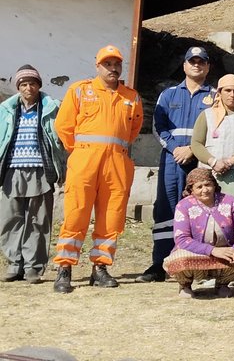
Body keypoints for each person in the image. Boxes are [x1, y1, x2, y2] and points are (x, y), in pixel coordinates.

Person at [52, 45, 143, 293]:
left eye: (116, 64)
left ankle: (100, 268)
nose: (113, 68)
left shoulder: (131, 97)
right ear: (98, 66)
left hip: (117, 164)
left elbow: (133, 130)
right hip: (84, 161)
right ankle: (65, 268)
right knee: (76, 214)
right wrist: (83, 151)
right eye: (107, 64)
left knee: (112, 217)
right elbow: (64, 127)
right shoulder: (80, 91)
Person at [143, 47, 214, 283]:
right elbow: (158, 126)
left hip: (200, 161)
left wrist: (193, 149)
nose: (196, 65)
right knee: (166, 209)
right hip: (172, 160)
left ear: (207, 67)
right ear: (184, 66)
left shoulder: (214, 96)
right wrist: (175, 148)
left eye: (201, 62)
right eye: (192, 61)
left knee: (199, 210)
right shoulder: (168, 95)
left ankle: (197, 264)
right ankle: (159, 263)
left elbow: (215, 130)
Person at [0, 65, 65, 284]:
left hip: (40, 171)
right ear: (18, 87)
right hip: (12, 171)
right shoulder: (6, 110)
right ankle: (14, 264)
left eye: (33, 83)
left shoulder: (51, 109)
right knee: (11, 219)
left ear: (39, 85)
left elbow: (60, 139)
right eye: (24, 84)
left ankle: (33, 267)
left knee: (38, 220)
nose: (29, 88)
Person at [166, 169, 234, 298]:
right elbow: (182, 239)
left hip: (224, 251)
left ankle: (223, 284)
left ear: (214, 185)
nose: (205, 190)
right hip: (196, 252)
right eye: (199, 187)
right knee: (179, 259)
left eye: (208, 184)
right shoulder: (184, 206)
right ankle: (185, 285)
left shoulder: (229, 201)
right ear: (191, 190)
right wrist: (212, 250)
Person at [190, 74, 234, 228]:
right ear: (220, 92)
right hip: (209, 174)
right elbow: (196, 143)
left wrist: (233, 160)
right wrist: (213, 161)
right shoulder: (207, 115)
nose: (232, 95)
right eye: (228, 90)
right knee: (207, 218)